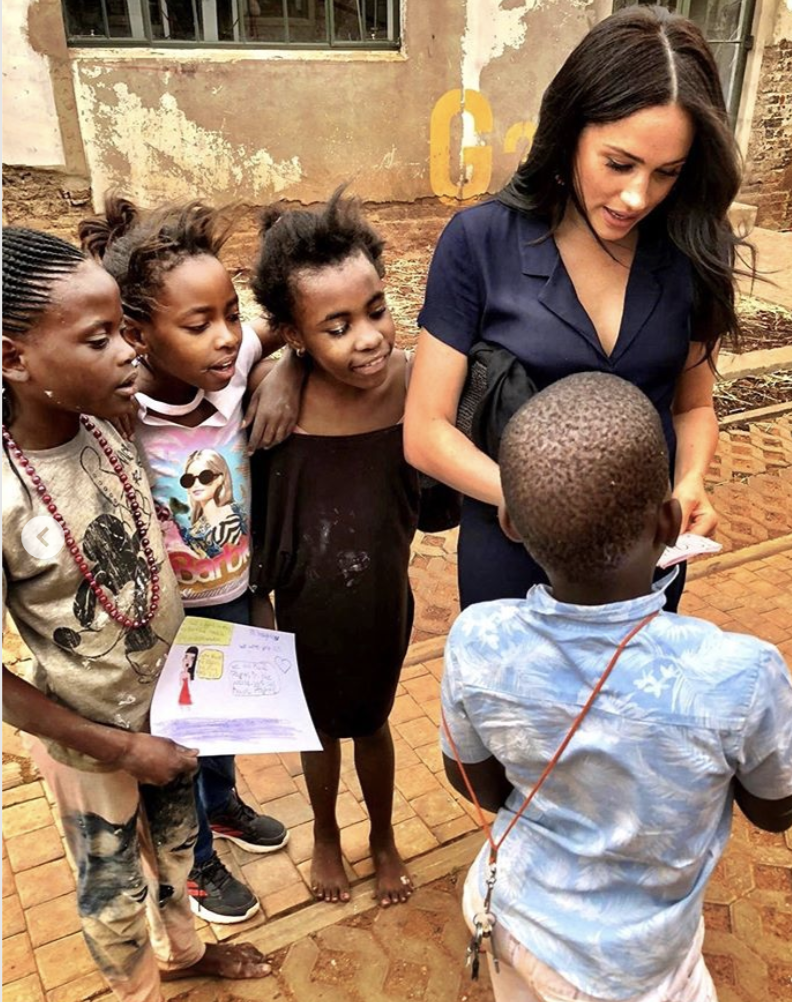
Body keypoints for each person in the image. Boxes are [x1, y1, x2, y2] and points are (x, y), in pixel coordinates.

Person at [440, 371, 792, 1002]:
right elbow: (775, 809)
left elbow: (479, 785)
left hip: (516, 923)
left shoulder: (477, 639)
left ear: (510, 523)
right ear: (668, 521)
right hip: (639, 966)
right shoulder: (739, 673)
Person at [404, 5, 754, 612]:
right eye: (618, 164)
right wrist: (525, 501)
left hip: (642, 569)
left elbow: (692, 406)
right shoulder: (481, 244)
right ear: (569, 131)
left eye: (666, 173)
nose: (637, 196)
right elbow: (425, 432)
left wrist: (690, 479)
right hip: (514, 558)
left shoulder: (691, 251)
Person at [1, 227, 272, 1000]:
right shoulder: (9, 493)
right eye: (99, 339)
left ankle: (186, 957)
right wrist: (118, 749)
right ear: (14, 358)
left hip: (170, 715)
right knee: (114, 896)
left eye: (124, 330)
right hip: (90, 747)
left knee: (180, 853)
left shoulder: (111, 427)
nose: (127, 353)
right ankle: (141, 990)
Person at [79, 196, 298, 924]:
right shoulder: (122, 410)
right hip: (166, 616)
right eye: (199, 324)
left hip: (231, 589)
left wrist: (288, 369)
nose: (226, 338)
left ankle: (224, 804)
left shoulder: (235, 371)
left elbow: (288, 337)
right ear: (138, 336)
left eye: (230, 314)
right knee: (177, 744)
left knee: (223, 721)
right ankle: (196, 861)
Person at [249, 188, 419, 907]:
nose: (368, 338)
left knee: (374, 722)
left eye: (374, 311)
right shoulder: (272, 395)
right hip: (305, 606)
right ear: (295, 335)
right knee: (316, 727)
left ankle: (382, 836)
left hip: (383, 595)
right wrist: (282, 369)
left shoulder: (413, 381)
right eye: (337, 326)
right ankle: (325, 834)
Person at [180, 449, 245, 556]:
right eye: (189, 480)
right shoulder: (193, 534)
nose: (196, 484)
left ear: (220, 478)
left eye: (205, 477)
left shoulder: (237, 512)